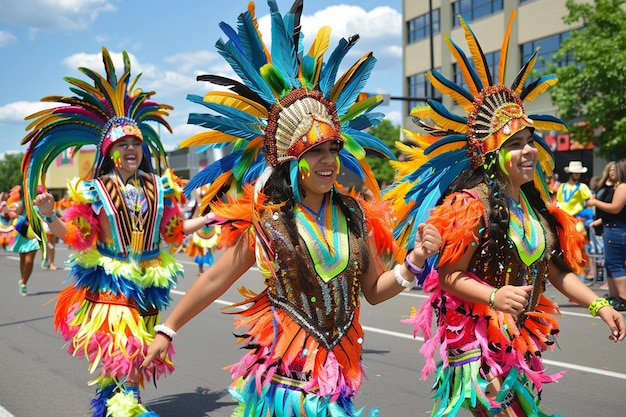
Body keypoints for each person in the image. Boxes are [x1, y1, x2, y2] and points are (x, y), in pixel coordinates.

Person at [142, 2, 442, 415]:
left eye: (333, 149)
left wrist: (414, 261)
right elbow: (216, 279)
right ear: (292, 162)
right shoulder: (267, 221)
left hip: (338, 377)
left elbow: (373, 292)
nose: (328, 160)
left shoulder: (355, 215)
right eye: (315, 151)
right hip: (284, 379)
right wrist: (166, 329)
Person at [384, 12, 625, 417]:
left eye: (530, 141)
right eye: (515, 144)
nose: (528, 150)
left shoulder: (535, 207)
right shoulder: (469, 205)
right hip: (475, 340)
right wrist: (494, 295)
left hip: (522, 339)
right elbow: (448, 277)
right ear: (493, 154)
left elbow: (556, 271)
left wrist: (601, 307)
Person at [22, 47, 211, 417]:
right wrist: (48, 216)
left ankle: (122, 404)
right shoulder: (94, 191)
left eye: (136, 143)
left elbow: (171, 233)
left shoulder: (159, 186)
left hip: (148, 282)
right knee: (119, 353)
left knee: (139, 354)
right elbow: (77, 238)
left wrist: (206, 220)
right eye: (123, 144)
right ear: (109, 152)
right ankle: (124, 407)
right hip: (111, 282)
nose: (131, 149)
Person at [587, 159, 626, 311]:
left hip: (616, 229)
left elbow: (615, 208)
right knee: (611, 264)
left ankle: (622, 297)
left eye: (616, 169)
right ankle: (615, 296)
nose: (613, 172)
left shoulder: (622, 187)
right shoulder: (619, 186)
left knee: (616, 264)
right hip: (613, 228)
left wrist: (595, 203)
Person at [6, 185, 39, 296]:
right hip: (22, 233)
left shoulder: (38, 202)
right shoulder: (20, 204)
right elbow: (12, 215)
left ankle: (24, 283)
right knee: (23, 259)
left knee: (29, 261)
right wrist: (15, 215)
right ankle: (23, 279)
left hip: (34, 234)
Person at [185, 185, 220, 275]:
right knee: (200, 251)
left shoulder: (212, 204)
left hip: (210, 231)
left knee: (209, 251)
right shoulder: (200, 205)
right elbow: (194, 217)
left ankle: (210, 270)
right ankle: (200, 271)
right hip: (200, 231)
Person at [556, 160, 592, 233]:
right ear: (571, 173)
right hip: (563, 221)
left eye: (579, 173)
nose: (577, 174)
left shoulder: (583, 187)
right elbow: (558, 202)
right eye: (575, 172)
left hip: (576, 220)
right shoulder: (562, 186)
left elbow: (590, 203)